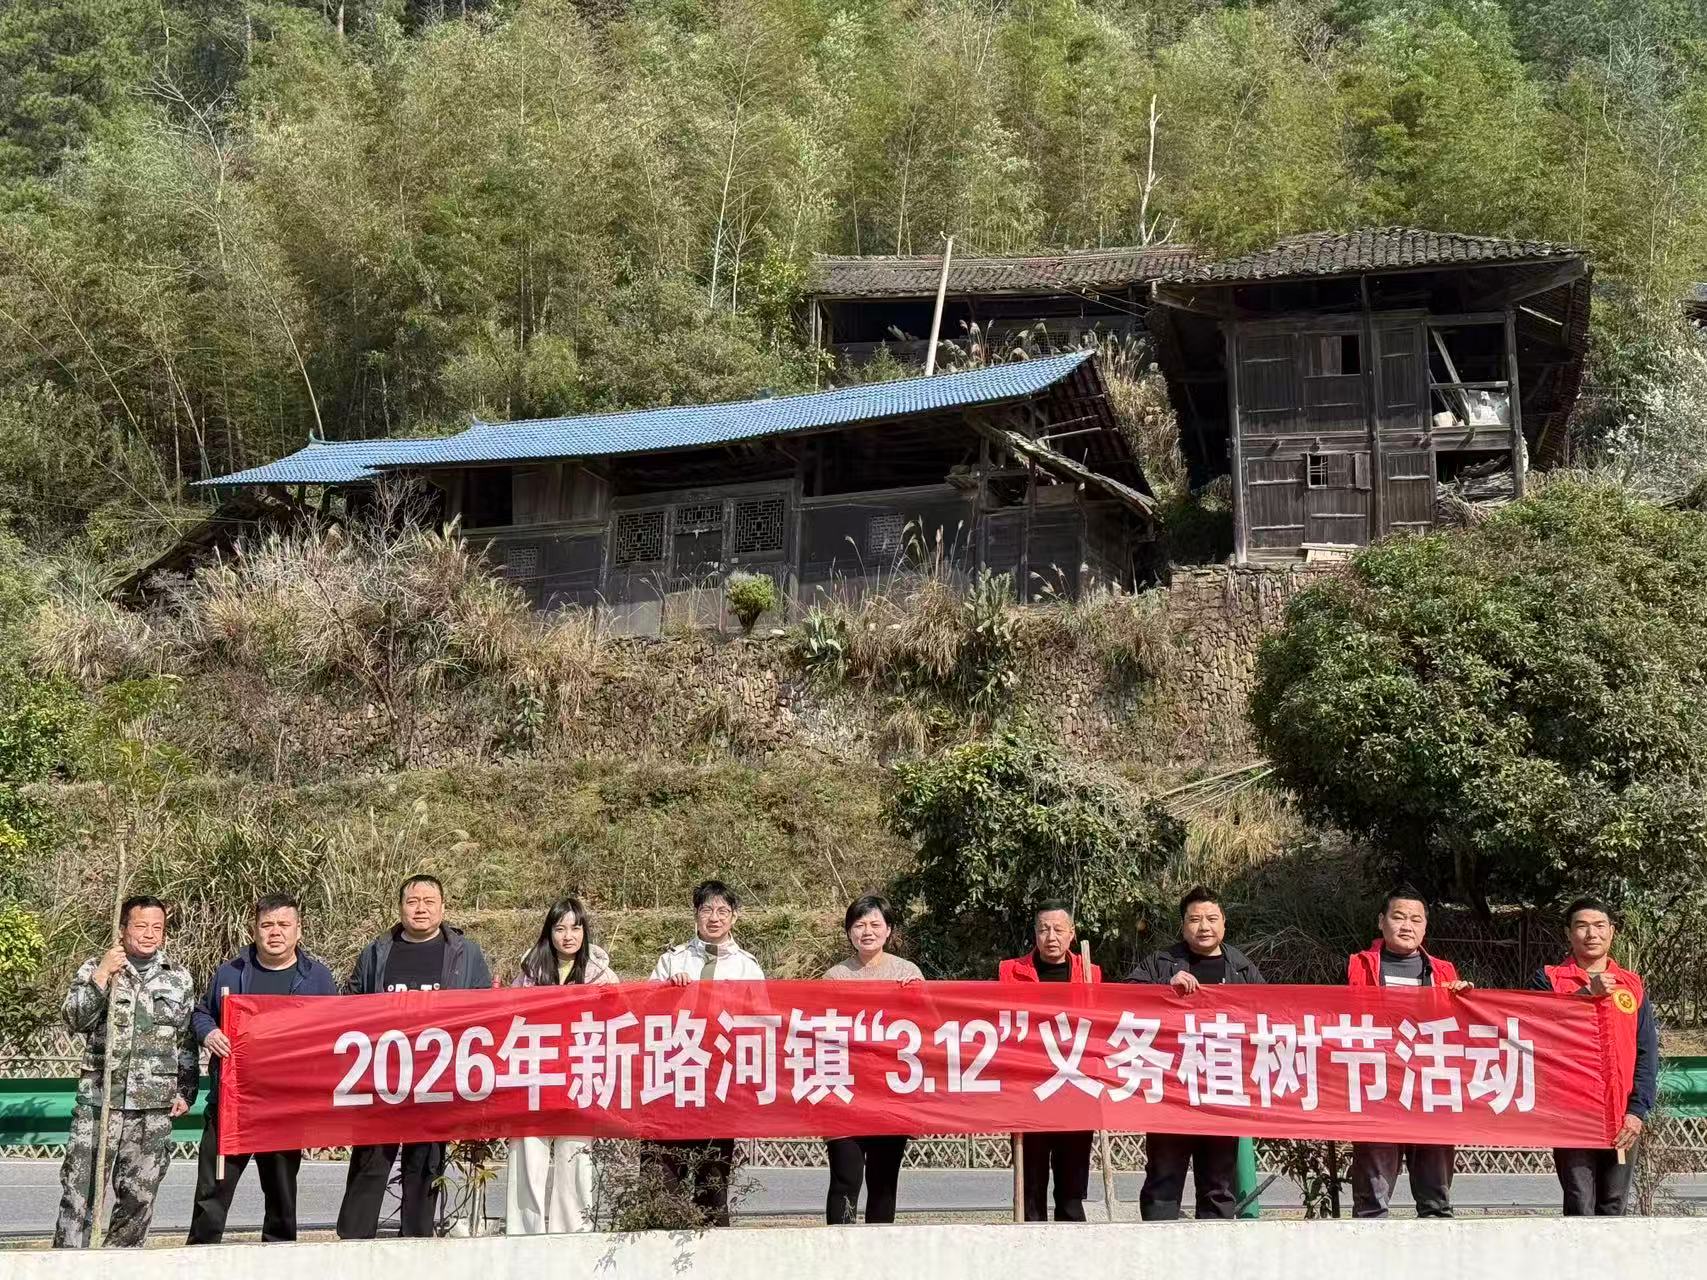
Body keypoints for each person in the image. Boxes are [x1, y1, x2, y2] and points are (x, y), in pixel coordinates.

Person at [336, 874, 493, 1239]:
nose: (420, 908)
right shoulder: (377, 951)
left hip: (434, 1080)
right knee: (369, 1166)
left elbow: (486, 1007)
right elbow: (350, 1005)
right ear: (400, 907)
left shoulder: (464, 953)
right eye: (412, 901)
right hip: (381, 1079)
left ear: (442, 907)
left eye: (428, 901)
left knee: (424, 1169)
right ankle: (353, 1247)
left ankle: (417, 1245)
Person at [187, 892, 338, 1245]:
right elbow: (201, 1012)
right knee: (212, 1194)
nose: (275, 933)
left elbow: (333, 1037)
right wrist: (209, 1033)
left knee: (282, 1202)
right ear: (254, 930)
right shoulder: (231, 971)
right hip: (232, 1106)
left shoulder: (317, 978)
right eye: (267, 925)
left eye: (284, 925)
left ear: (298, 931)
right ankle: (200, 1259)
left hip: (285, 1109)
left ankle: (280, 1261)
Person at [54, 895, 198, 1249]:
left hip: (152, 1108)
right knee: (81, 1194)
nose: (149, 934)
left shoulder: (178, 978)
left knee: (139, 1199)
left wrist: (186, 1090)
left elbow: (186, 1040)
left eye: (157, 928)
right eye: (140, 926)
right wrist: (103, 974)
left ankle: (121, 1266)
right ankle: (70, 1268)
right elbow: (74, 1019)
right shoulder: (97, 969)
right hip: (100, 1102)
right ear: (123, 929)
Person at [1127, 886, 1264, 1221]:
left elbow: (1267, 1016)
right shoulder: (1160, 963)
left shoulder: (1243, 969)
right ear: (1183, 925)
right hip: (1171, 1089)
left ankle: (1214, 1262)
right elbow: (1124, 999)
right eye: (1195, 919)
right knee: (1163, 1178)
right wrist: (1163, 989)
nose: (1204, 926)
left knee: (1218, 1184)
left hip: (1222, 1089)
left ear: (1224, 924)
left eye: (1212, 918)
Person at [1346, 886, 1472, 1219]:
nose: (1407, 926)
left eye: (1416, 919)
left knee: (1436, 1199)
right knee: (1372, 1200)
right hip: (1378, 1089)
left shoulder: (1444, 972)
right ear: (1381, 922)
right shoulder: (1358, 967)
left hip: (1432, 1090)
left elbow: (1460, 1032)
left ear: (1426, 927)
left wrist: (1463, 1003)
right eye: (1398, 917)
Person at [646, 879, 764, 1226]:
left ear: (735, 917)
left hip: (720, 1082)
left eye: (723, 911)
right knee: (664, 1173)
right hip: (675, 1079)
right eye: (707, 909)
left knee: (713, 1177)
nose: (714, 918)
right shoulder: (672, 961)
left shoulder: (747, 967)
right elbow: (647, 1012)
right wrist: (668, 991)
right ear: (695, 914)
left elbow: (762, 1023)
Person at [1532, 896, 1659, 1216]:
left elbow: (1645, 1053)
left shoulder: (1632, 986)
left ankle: (1610, 1267)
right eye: (1582, 926)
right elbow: (1538, 1027)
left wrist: (1637, 1110)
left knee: (1614, 1205)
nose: (1592, 934)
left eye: (1600, 926)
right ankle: (1575, 1267)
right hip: (1570, 1114)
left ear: (1612, 932)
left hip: (1621, 1116)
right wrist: (1586, 994)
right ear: (1568, 933)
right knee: (1579, 1202)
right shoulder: (1548, 979)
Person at [506, 897, 619, 1235]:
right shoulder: (528, 973)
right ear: (549, 932)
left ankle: (572, 1234)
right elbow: (510, 1018)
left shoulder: (602, 975)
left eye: (575, 927)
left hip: (579, 1076)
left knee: (575, 1158)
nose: (568, 935)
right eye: (559, 928)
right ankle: (524, 1233)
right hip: (535, 1076)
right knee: (528, 1157)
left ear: (585, 931)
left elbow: (616, 1023)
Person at [822, 894, 923, 1225]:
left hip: (890, 1092)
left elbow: (929, 1027)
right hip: (845, 1090)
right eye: (859, 924)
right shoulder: (834, 978)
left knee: (883, 1183)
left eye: (875, 924)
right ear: (849, 932)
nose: (867, 931)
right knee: (845, 1179)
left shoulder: (907, 973)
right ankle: (840, 1253)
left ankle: (878, 1258)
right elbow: (819, 1030)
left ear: (889, 930)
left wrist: (920, 995)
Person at [997, 899, 1100, 1223]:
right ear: (1035, 934)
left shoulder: (1090, 972)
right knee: (1030, 1189)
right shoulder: (1010, 971)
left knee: (1071, 1192)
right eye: (1043, 929)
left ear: (1072, 934)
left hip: (1075, 1088)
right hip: (1028, 1090)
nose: (1051, 936)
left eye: (1058, 929)